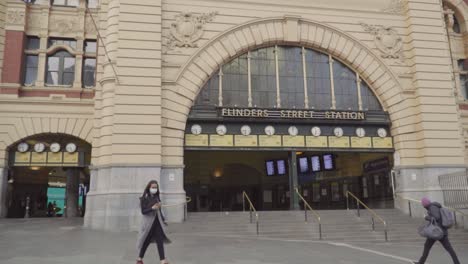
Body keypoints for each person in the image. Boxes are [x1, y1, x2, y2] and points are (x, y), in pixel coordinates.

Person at [414, 197, 460, 264]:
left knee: (427, 246)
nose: (422, 205)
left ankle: (421, 262)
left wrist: (426, 217)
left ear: (424, 204)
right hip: (442, 232)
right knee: (449, 249)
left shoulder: (432, 207)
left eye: (423, 204)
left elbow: (437, 217)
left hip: (436, 232)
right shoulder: (435, 206)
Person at [136, 180, 170, 264]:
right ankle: (139, 259)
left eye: (156, 187)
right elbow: (143, 211)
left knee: (160, 240)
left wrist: (163, 219)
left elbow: (160, 210)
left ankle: (163, 261)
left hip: (157, 223)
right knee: (146, 241)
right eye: (153, 187)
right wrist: (152, 208)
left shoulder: (157, 197)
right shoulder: (144, 198)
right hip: (148, 224)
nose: (154, 189)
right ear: (149, 188)